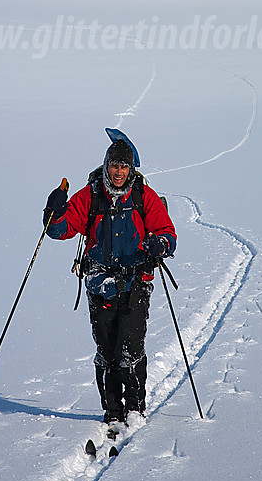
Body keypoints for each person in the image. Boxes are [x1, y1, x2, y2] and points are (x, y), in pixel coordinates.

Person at [43, 137, 177, 427]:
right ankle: (112, 411)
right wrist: (52, 213)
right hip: (99, 281)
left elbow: (167, 232)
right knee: (106, 350)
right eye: (115, 165)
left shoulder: (144, 196)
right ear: (107, 165)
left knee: (130, 347)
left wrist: (161, 245)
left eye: (124, 166)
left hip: (135, 281)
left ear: (131, 169)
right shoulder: (91, 195)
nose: (119, 172)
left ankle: (135, 408)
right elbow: (60, 230)